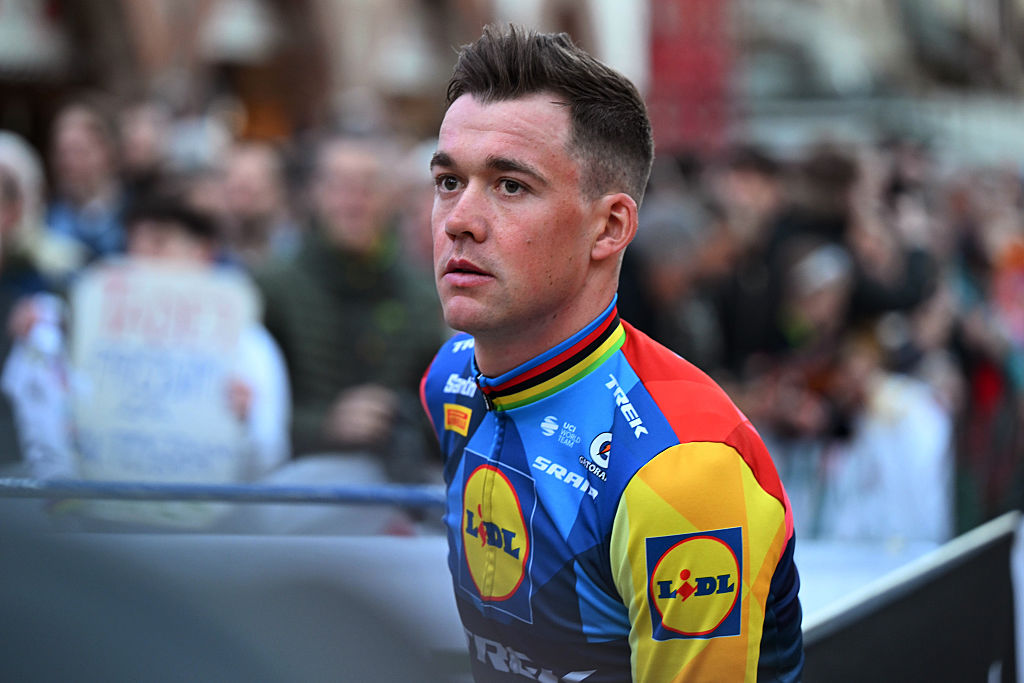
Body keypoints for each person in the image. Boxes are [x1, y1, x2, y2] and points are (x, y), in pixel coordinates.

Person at [420, 25, 803, 682]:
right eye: (449, 181)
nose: (460, 218)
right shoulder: (450, 378)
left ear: (611, 227)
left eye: (510, 185)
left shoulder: (683, 474)